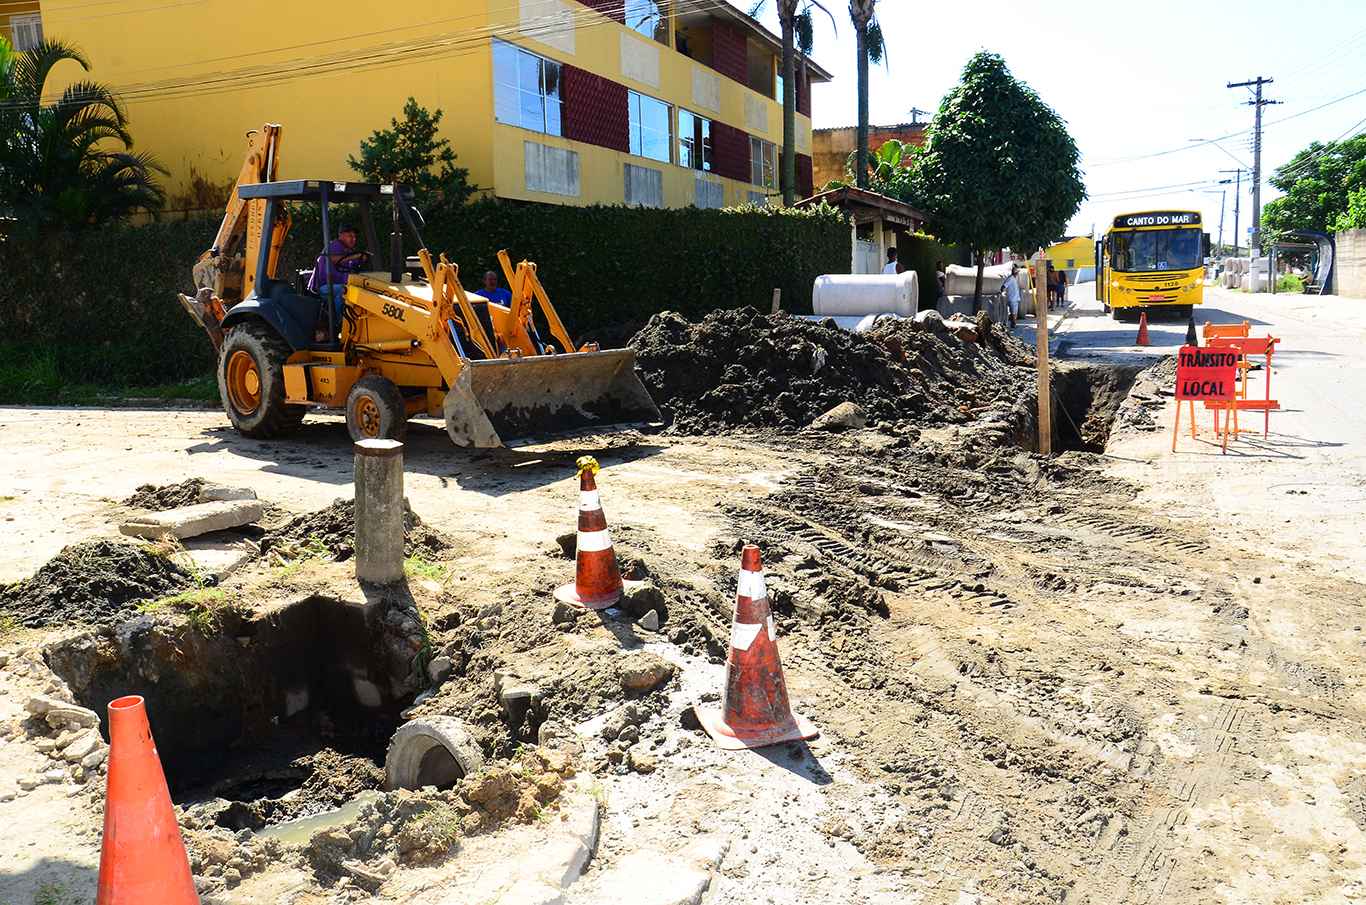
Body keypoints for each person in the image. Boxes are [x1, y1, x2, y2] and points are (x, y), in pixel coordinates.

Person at [308, 224, 369, 337]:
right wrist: (354, 256)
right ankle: (341, 324)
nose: (353, 239)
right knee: (344, 291)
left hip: (338, 285)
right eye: (349, 236)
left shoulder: (349, 250)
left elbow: (354, 264)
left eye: (354, 237)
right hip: (323, 286)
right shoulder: (334, 246)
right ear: (341, 235)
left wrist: (362, 258)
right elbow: (334, 259)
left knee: (358, 290)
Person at [1004, 263, 1021, 327]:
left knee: (1014, 312)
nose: (1017, 273)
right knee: (1013, 312)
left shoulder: (1014, 278)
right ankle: (1013, 324)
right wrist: (1001, 291)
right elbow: (1004, 286)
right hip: (1012, 298)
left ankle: (1014, 323)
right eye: (1017, 272)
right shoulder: (1010, 278)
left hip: (1015, 298)